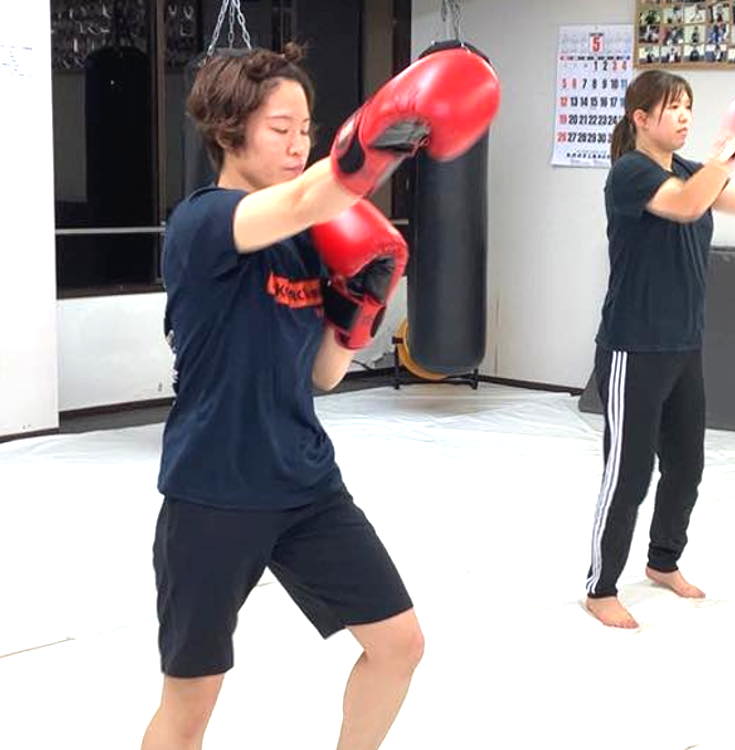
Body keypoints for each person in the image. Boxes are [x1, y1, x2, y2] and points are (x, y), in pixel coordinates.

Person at [142, 43, 498, 749]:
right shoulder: (204, 224)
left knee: (399, 644)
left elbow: (323, 377)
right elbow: (312, 194)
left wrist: (361, 305)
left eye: (306, 129)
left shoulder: (308, 241)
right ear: (228, 130)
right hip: (214, 490)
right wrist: (388, 133)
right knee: (192, 701)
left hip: (305, 484)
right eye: (280, 128)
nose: (297, 143)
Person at [585, 72, 735, 629]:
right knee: (628, 474)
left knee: (686, 466)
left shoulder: (688, 169)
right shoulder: (631, 172)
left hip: (683, 345)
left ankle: (663, 561)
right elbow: (684, 206)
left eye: (688, 107)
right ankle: (600, 588)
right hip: (634, 346)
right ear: (641, 118)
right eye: (672, 107)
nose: (684, 117)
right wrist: (725, 156)